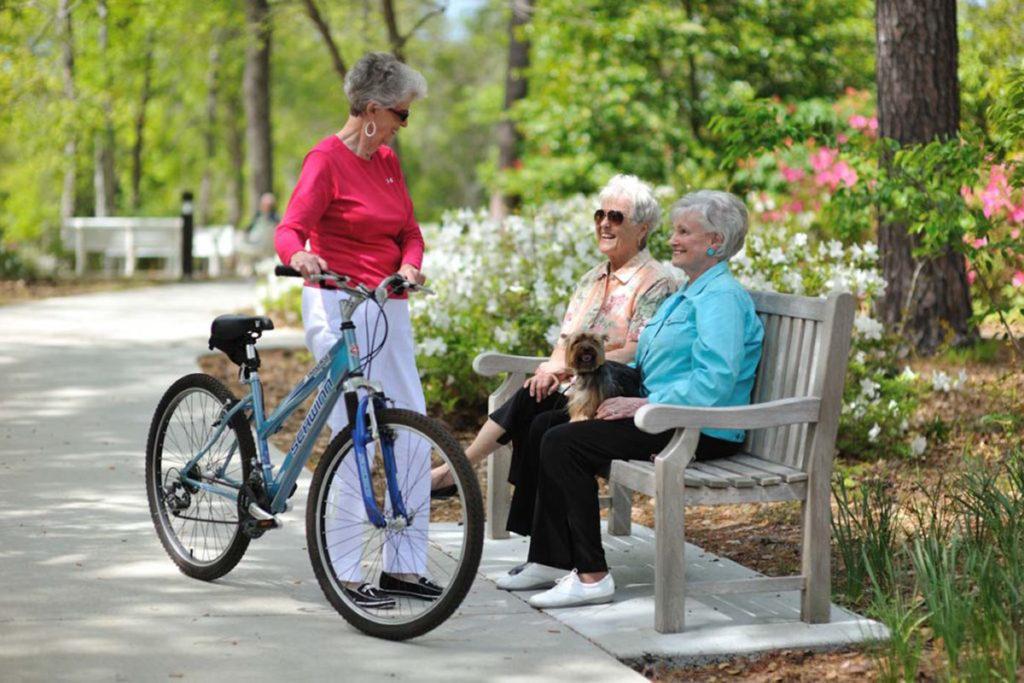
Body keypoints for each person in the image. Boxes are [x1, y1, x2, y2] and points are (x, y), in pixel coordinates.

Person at [495, 190, 765, 609]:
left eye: (683, 232)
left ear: (715, 241)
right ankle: (550, 558)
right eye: (675, 230)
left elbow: (716, 378)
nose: (672, 239)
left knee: (564, 443)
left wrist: (643, 405)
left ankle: (591, 575)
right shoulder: (687, 294)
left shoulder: (721, 299)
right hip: (665, 417)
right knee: (547, 424)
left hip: (698, 428)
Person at [431, 174, 677, 538]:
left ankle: (459, 472)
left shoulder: (655, 281)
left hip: (616, 391)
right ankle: (529, 533)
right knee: (536, 399)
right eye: (600, 214)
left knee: (539, 416)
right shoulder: (591, 279)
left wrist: (565, 367)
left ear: (642, 229)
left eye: (616, 217)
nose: (604, 223)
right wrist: (550, 368)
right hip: (576, 386)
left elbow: (637, 349)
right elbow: (565, 340)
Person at [274, 52, 432, 609]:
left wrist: (410, 264)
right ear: (370, 110)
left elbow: (409, 229)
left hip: (387, 302)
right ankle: (344, 572)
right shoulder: (325, 160)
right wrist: (299, 258)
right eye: (400, 114)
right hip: (337, 301)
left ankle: (405, 568)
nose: (402, 124)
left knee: (410, 426)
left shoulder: (387, 160)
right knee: (355, 432)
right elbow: (290, 228)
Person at [236, 193, 281, 275]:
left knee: (240, 243)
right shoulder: (259, 215)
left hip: (261, 246)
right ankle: (251, 268)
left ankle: (251, 269)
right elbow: (249, 228)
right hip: (255, 242)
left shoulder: (275, 219)